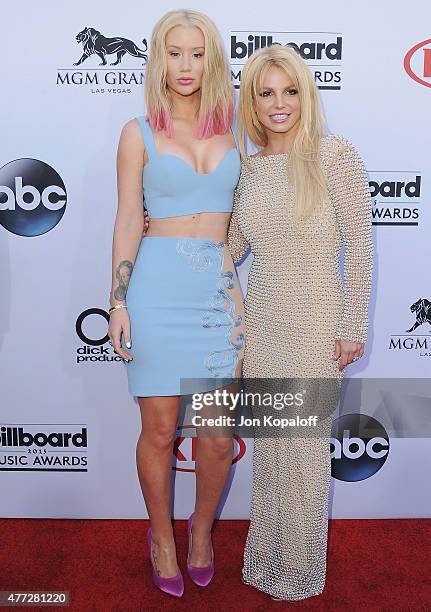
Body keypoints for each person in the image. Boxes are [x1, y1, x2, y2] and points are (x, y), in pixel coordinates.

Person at [227, 45, 373, 601]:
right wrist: (166, 225)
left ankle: (299, 570)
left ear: (306, 93)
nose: (279, 103)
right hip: (262, 322)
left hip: (316, 322)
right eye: (266, 93)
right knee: (271, 449)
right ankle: (266, 560)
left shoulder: (335, 156)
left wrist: (352, 323)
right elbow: (232, 245)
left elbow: (359, 242)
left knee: (305, 450)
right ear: (252, 101)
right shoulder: (248, 168)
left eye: (290, 90)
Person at [108, 10, 244, 598]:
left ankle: (201, 531)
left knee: (216, 435)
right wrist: (116, 302)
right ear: (158, 59)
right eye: (174, 52)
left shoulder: (239, 130)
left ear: (211, 59)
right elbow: (124, 220)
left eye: (196, 53)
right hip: (156, 291)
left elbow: (256, 216)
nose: (185, 65)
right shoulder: (136, 132)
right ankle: (161, 536)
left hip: (217, 294)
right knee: (159, 429)